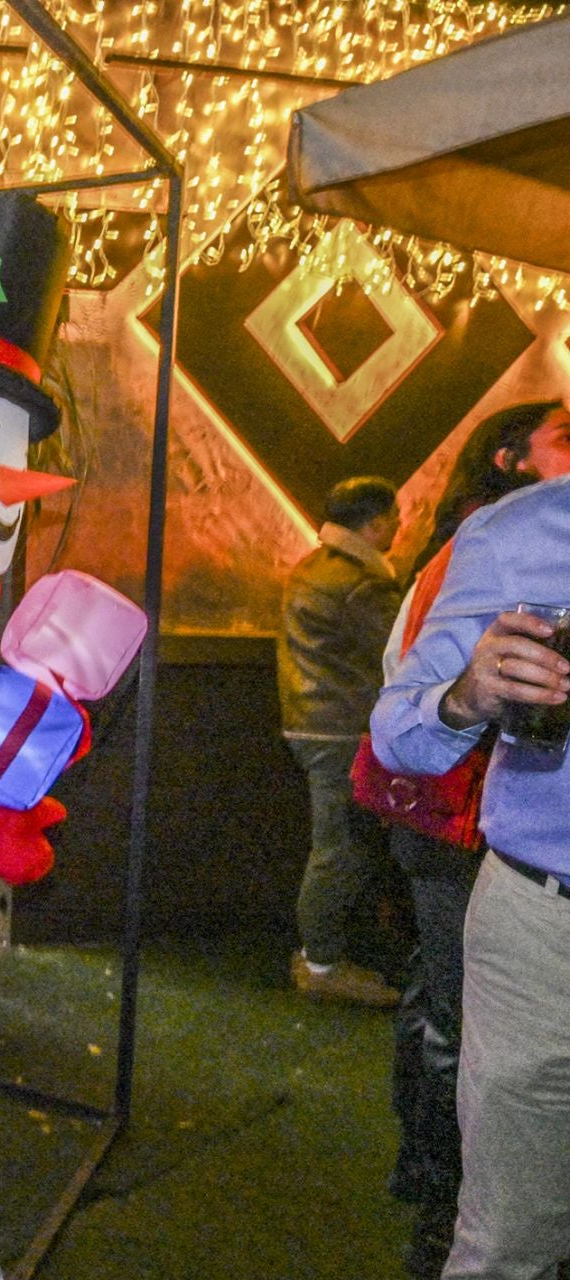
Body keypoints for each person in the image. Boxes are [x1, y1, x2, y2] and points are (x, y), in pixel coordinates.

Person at [380, 401, 570, 1277]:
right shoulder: (513, 534)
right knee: (509, 1245)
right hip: (544, 930)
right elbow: (399, 735)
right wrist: (466, 696)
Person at [279, 475, 408, 1004]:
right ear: (374, 525)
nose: (400, 525)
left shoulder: (313, 567)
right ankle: (323, 965)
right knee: (341, 849)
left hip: (312, 720)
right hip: (342, 729)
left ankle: (322, 955)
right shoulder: (363, 583)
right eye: (394, 517)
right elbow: (403, 651)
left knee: (338, 845)